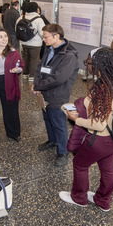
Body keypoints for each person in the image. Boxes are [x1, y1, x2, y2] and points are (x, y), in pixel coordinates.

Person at [59, 47, 113, 212]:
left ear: (98, 65)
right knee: (108, 170)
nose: (87, 65)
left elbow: (99, 124)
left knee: (80, 165)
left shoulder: (103, 89)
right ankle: (103, 201)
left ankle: (78, 197)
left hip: (98, 139)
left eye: (88, 62)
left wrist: (76, 119)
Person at [32, 24, 79, 166]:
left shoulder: (69, 56)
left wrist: (38, 85)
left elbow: (59, 78)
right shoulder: (50, 48)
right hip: (45, 92)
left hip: (58, 94)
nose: (44, 39)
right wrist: (36, 83)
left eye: (46, 37)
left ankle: (63, 152)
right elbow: (40, 66)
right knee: (48, 118)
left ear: (56, 36)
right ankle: (52, 141)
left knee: (58, 124)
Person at [17, 2, 45, 81]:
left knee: (25, 58)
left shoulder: (21, 18)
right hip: (35, 44)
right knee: (34, 59)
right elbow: (42, 33)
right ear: (36, 9)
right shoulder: (39, 19)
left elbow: (17, 29)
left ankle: (25, 74)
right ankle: (32, 76)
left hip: (24, 42)